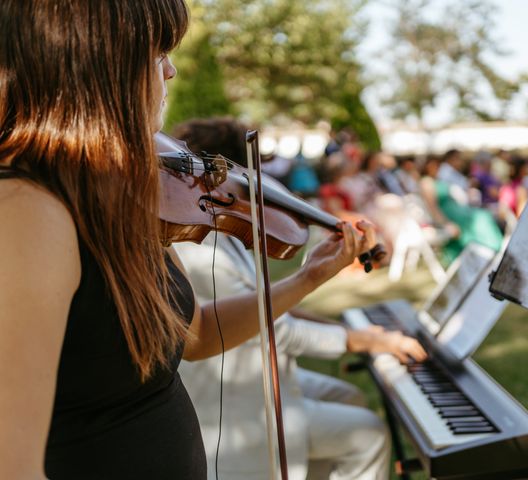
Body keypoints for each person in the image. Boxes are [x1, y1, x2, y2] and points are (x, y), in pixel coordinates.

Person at [0, 2, 377, 479]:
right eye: (157, 53)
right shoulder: (24, 210)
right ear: (95, 65)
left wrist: (310, 276)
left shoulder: (115, 194)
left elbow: (195, 333)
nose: (171, 70)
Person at [171, 117, 428, 480]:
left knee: (348, 397)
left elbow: (266, 304)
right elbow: (271, 329)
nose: (257, 186)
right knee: (367, 433)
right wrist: (359, 339)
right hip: (231, 397)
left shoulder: (227, 230)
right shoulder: (198, 248)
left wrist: (338, 325)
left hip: (262, 371)